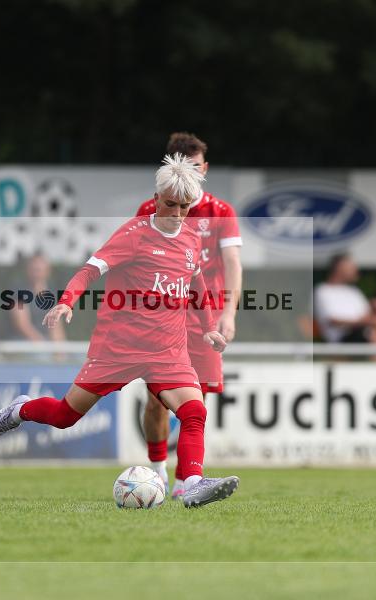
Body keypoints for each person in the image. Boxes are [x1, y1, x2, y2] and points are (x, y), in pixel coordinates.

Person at [0, 154, 238, 508]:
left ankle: (192, 482)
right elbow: (89, 270)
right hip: (118, 349)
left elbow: (196, 285)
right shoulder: (134, 234)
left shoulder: (192, 238)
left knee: (195, 412)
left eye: (184, 206)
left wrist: (209, 327)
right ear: (157, 197)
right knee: (64, 416)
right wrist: (67, 301)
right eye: (170, 204)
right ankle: (19, 411)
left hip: (168, 352)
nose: (176, 213)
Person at [134, 132, 243, 498]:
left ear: (204, 168)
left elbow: (232, 263)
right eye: (183, 166)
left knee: (197, 401)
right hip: (161, 320)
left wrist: (228, 312)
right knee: (156, 399)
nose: (190, 173)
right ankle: (156, 471)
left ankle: (185, 483)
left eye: (195, 167)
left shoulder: (221, 212)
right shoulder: (151, 210)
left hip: (204, 321)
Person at [313, 254, 376, 343]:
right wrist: (360, 322)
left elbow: (368, 316)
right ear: (339, 268)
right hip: (342, 340)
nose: (356, 270)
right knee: (373, 335)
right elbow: (332, 321)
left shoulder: (354, 291)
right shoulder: (322, 290)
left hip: (364, 335)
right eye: (351, 267)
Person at [9, 254, 65, 343]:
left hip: (45, 343)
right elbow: (22, 324)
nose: (36, 273)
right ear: (28, 270)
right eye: (33, 269)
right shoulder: (18, 291)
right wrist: (43, 345)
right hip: (22, 341)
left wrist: (60, 349)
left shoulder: (52, 294)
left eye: (39, 270)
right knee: (41, 356)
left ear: (47, 271)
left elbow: (56, 327)